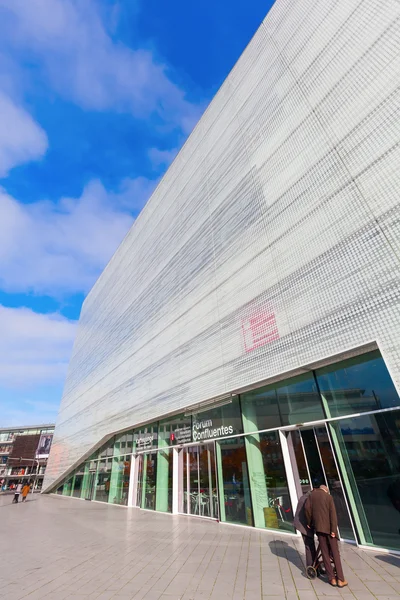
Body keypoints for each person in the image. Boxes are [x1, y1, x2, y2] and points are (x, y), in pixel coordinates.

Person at [305, 485, 348, 588]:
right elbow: (333, 515)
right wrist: (333, 530)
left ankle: (331, 579)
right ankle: (341, 579)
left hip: (319, 528)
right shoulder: (328, 497)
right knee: (335, 553)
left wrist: (309, 522)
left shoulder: (311, 496)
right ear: (326, 490)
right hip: (329, 529)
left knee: (325, 553)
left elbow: (307, 509)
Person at [293, 490, 316, 569]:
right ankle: (310, 566)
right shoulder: (308, 499)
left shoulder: (304, 497)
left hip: (301, 523)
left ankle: (314, 564)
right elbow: (308, 512)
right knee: (309, 545)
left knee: (310, 544)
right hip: (303, 525)